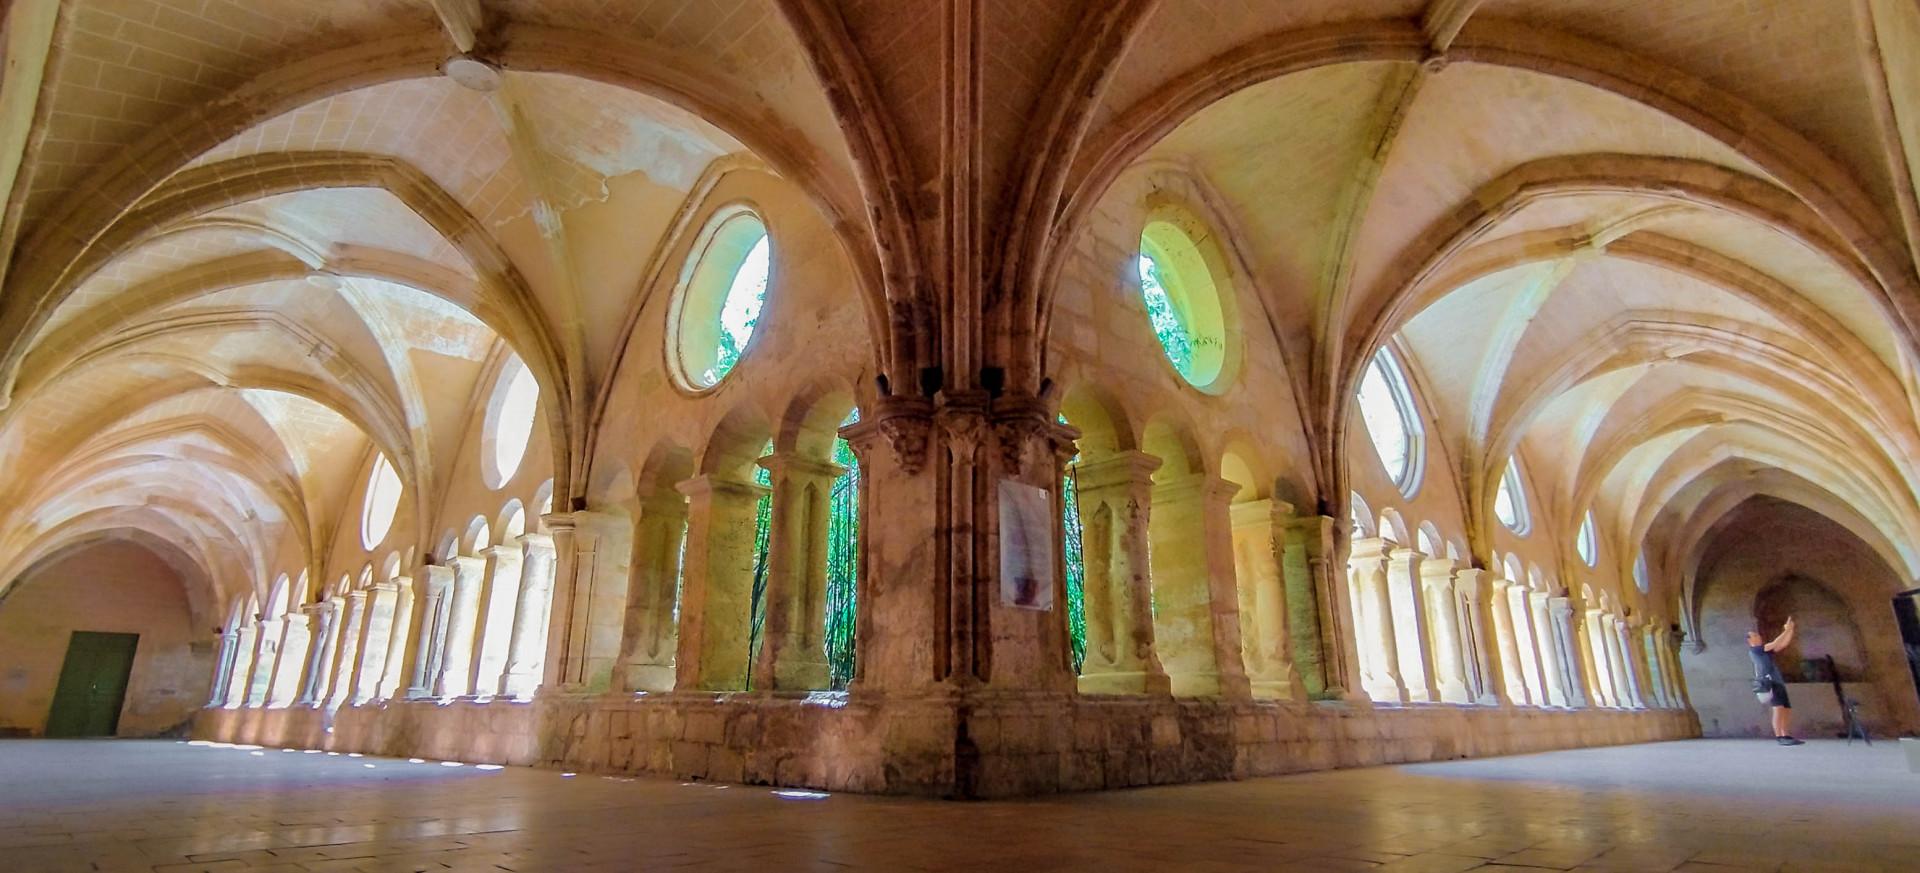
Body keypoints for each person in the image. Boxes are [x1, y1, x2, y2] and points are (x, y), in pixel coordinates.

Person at [1749, 616, 1801, 745]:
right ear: (1749, 640)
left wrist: (1791, 630)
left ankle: (1786, 735)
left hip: (1778, 682)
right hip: (1770, 683)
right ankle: (1779, 737)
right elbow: (1775, 642)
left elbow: (1783, 644)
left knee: (1786, 709)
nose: (1759, 636)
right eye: (1755, 635)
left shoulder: (1765, 651)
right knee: (1778, 709)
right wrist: (1786, 630)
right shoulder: (1756, 650)